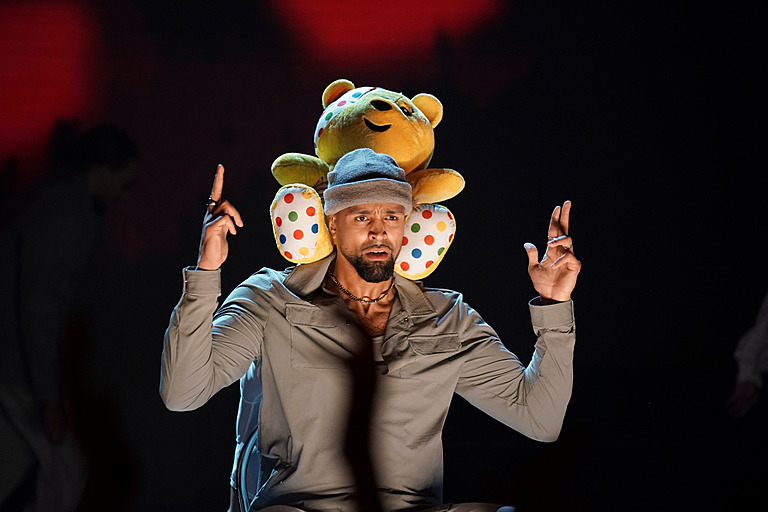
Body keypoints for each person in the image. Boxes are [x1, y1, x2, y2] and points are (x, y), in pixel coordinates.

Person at [160, 148, 581, 512]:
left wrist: (555, 307)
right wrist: (206, 271)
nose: (379, 230)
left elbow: (540, 419)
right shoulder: (272, 298)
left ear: (407, 225)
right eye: (362, 215)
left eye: (392, 215)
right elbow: (183, 393)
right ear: (332, 223)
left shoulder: (446, 317)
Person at [0, 124, 139, 511]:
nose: (125, 191)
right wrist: (49, 396)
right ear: (102, 170)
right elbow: (39, 306)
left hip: (15, 363)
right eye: (124, 180)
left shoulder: (58, 203)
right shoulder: (67, 213)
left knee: (15, 462)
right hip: (16, 365)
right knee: (64, 470)